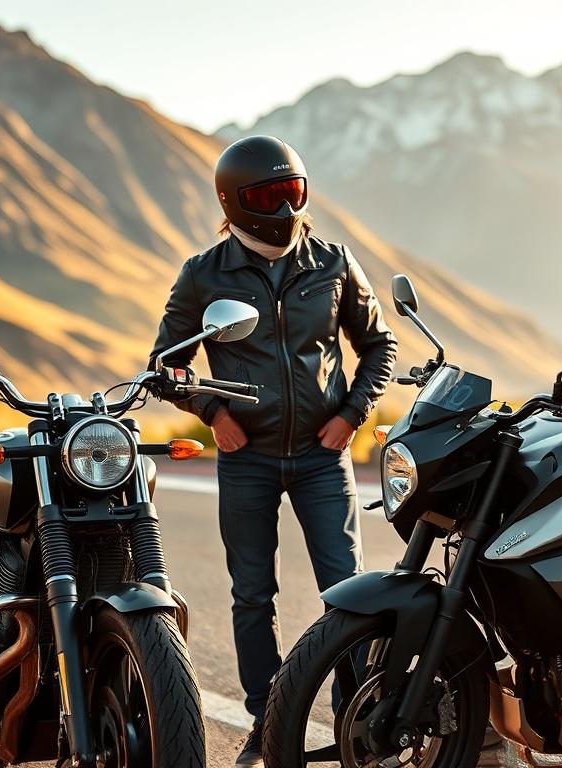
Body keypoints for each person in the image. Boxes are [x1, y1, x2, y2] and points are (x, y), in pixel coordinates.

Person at [149, 135, 398, 767]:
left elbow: (380, 346)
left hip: (323, 456)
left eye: (295, 191)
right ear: (235, 203)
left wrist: (350, 414)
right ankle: (268, 723)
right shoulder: (203, 273)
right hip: (247, 458)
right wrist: (213, 413)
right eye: (270, 195)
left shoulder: (334, 261)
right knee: (252, 594)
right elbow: (165, 365)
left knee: (348, 591)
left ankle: (357, 721)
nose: (286, 207)